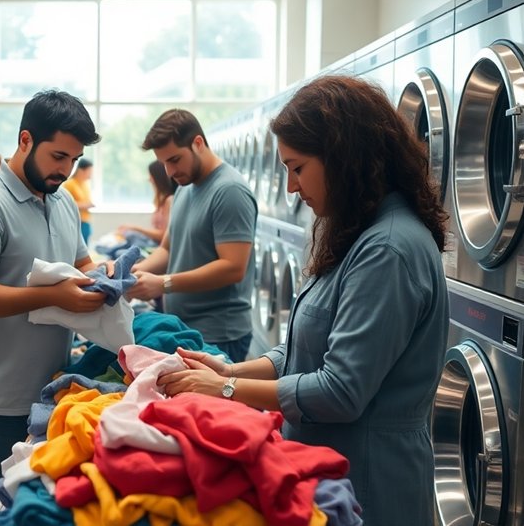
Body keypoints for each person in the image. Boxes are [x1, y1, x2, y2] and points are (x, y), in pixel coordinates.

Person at [158, 75, 449, 526]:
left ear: (342, 157)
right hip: (329, 470)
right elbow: (306, 348)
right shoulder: (354, 230)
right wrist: (230, 371)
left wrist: (227, 391)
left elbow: (341, 390)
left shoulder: (388, 250)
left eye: (297, 168)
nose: (291, 187)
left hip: (371, 480)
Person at [0, 89, 109, 517]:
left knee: (37, 512)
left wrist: (104, 275)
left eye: (74, 159)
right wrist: (51, 296)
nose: (66, 170)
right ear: (25, 140)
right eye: (58, 156)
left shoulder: (62, 201)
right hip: (0, 398)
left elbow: (81, 262)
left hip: (54, 391)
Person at [127, 108, 257, 363]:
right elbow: (168, 249)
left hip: (218, 335)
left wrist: (163, 283)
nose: (169, 171)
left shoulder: (229, 191)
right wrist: (132, 274)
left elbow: (233, 267)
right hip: (187, 328)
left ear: (198, 143)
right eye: (164, 163)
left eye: (175, 159)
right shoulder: (185, 188)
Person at [118, 159, 175, 244]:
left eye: (151, 176)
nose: (149, 179)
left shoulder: (169, 200)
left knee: (130, 237)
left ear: (158, 177)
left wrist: (134, 228)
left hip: (158, 245)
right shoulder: (160, 201)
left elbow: (163, 235)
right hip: (153, 243)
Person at [62, 157, 94, 244]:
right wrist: (85, 205)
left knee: (85, 246)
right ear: (81, 170)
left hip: (86, 220)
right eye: (89, 171)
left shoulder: (85, 184)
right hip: (76, 222)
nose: (91, 174)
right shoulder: (70, 184)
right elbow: (65, 203)